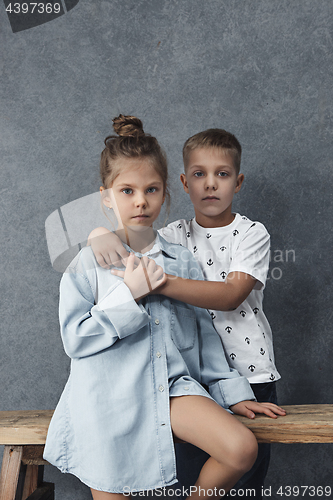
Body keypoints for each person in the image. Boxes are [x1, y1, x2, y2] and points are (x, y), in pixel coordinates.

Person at [43, 115, 286, 500]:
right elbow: (75, 339)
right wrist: (128, 293)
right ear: (104, 196)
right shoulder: (86, 263)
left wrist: (231, 389)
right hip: (107, 394)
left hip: (171, 387)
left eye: (151, 189)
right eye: (126, 191)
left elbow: (205, 339)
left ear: (166, 193)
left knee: (241, 448)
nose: (141, 201)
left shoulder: (180, 258)